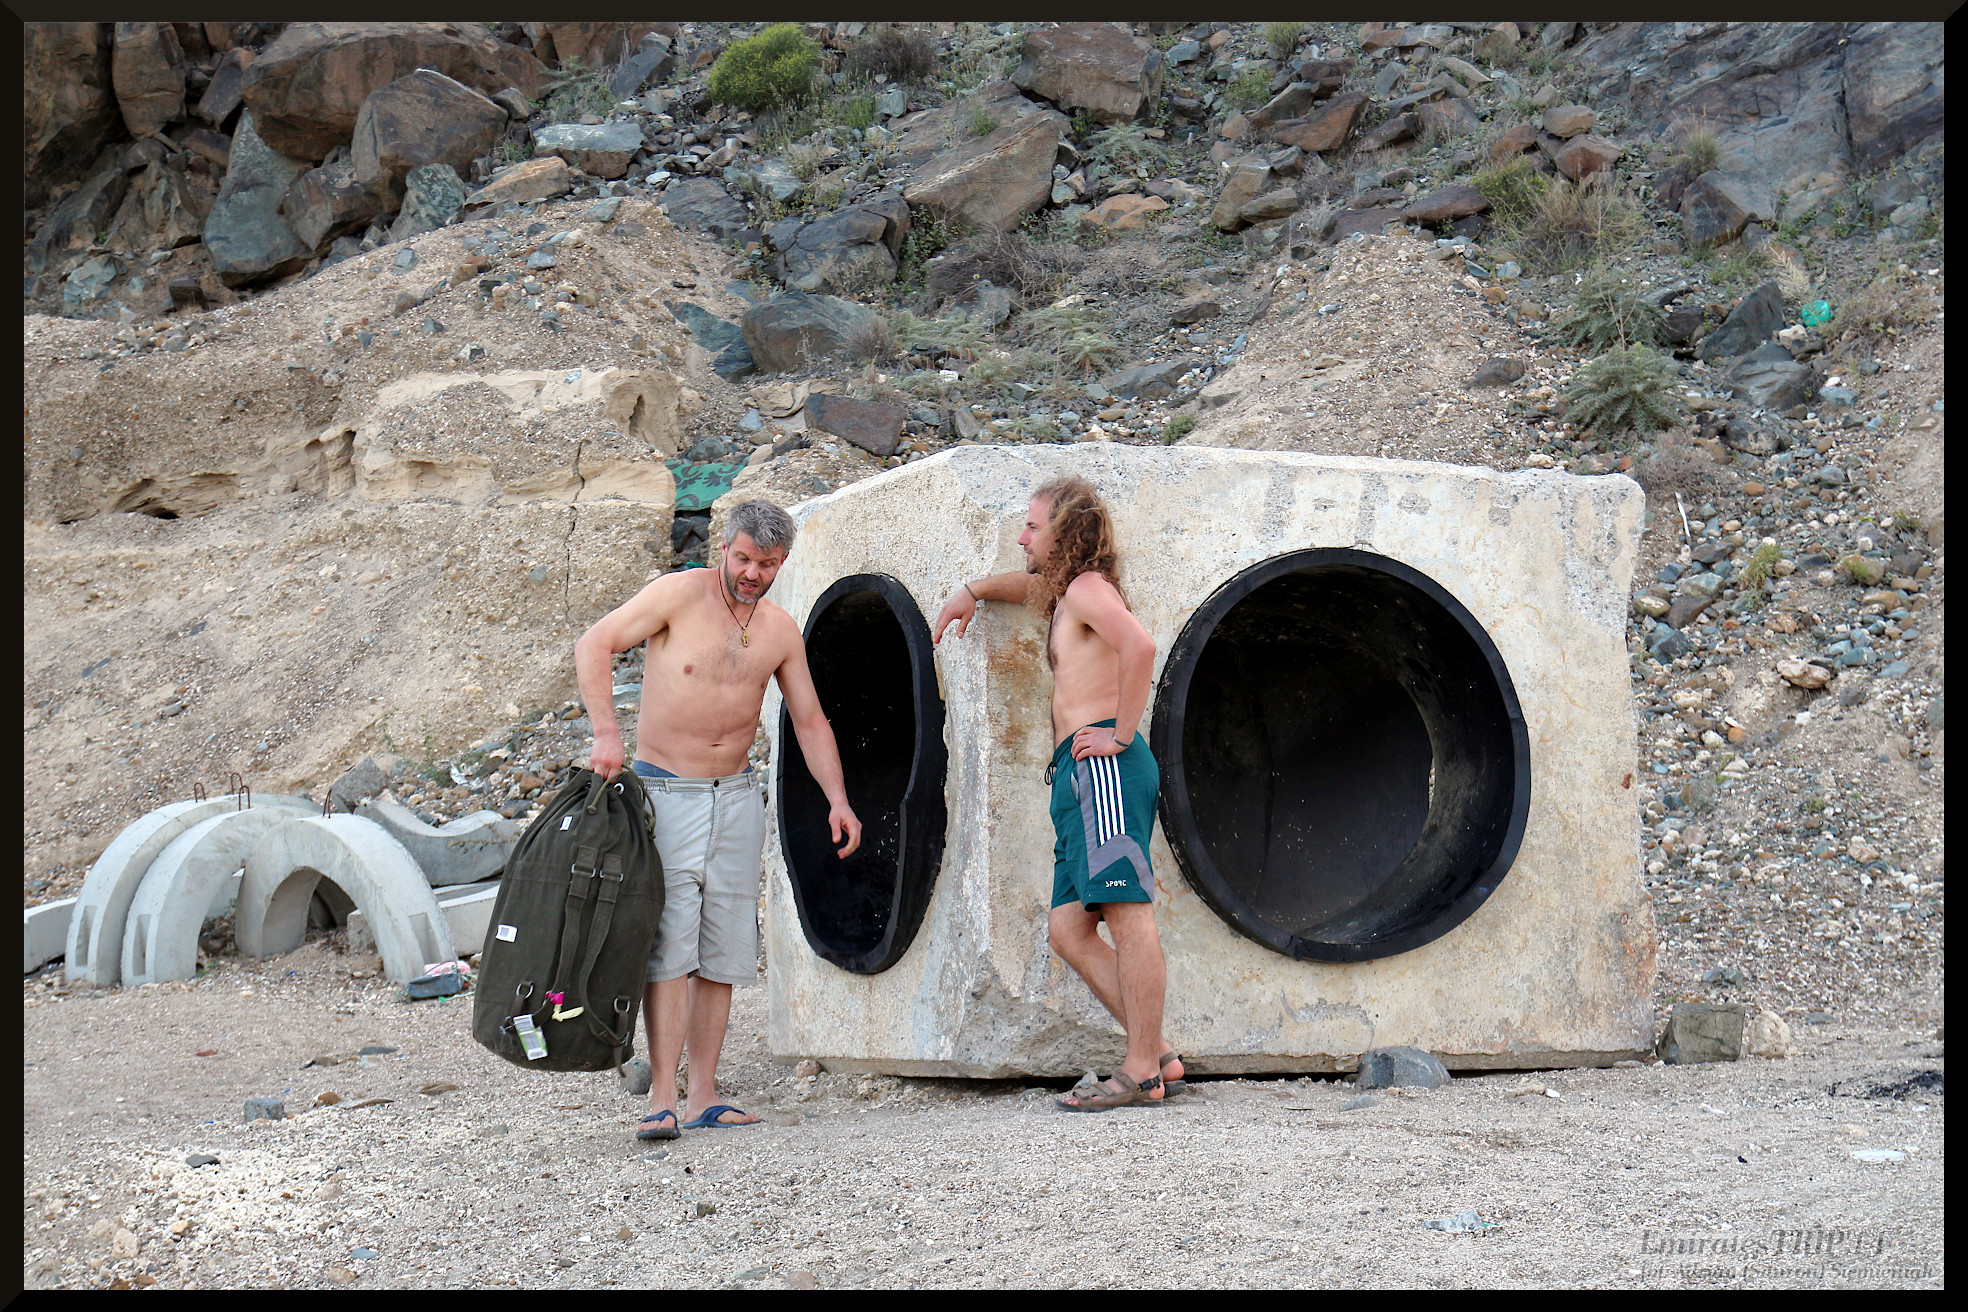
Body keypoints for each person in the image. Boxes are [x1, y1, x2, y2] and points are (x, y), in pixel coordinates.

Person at [574, 500, 862, 1140]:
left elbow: (810, 720)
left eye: (768, 564)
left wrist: (838, 800)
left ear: (782, 562)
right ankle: (662, 1095)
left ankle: (703, 1092)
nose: (752, 574)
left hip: (736, 797)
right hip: (665, 792)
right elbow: (595, 642)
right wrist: (605, 733)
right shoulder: (678, 596)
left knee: (723, 948)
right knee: (670, 944)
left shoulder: (780, 630)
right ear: (724, 548)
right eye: (744, 559)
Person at [931, 476, 1184, 1110]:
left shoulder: (1088, 588)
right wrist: (973, 590)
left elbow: (1140, 645)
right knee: (1069, 930)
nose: (1022, 536)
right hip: (1076, 778)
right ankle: (1157, 1053)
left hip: (1105, 771)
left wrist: (1121, 734)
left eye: (1032, 526)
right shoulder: (1070, 591)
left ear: (1065, 533)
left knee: (1127, 914)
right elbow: (1029, 588)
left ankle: (1140, 1071)